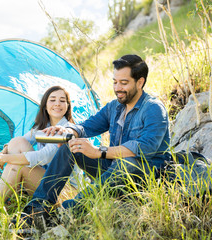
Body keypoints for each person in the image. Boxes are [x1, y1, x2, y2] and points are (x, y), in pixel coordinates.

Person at [17, 54, 171, 226]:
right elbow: (87, 126)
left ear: (140, 82)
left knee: (126, 163)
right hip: (113, 170)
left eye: (124, 83)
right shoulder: (114, 107)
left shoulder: (153, 108)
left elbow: (146, 147)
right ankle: (36, 210)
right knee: (72, 147)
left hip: (146, 175)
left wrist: (99, 152)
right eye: (115, 82)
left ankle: (63, 214)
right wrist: (67, 130)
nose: (117, 88)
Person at [0, 86, 76, 229]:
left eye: (62, 101)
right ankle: (3, 202)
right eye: (52, 100)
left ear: (67, 106)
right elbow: (20, 141)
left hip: (64, 190)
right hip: (46, 184)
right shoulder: (44, 127)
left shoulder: (67, 129)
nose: (57, 104)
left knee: (16, 165)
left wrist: (6, 159)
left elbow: (44, 157)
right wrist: (4, 151)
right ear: (45, 105)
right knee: (17, 143)